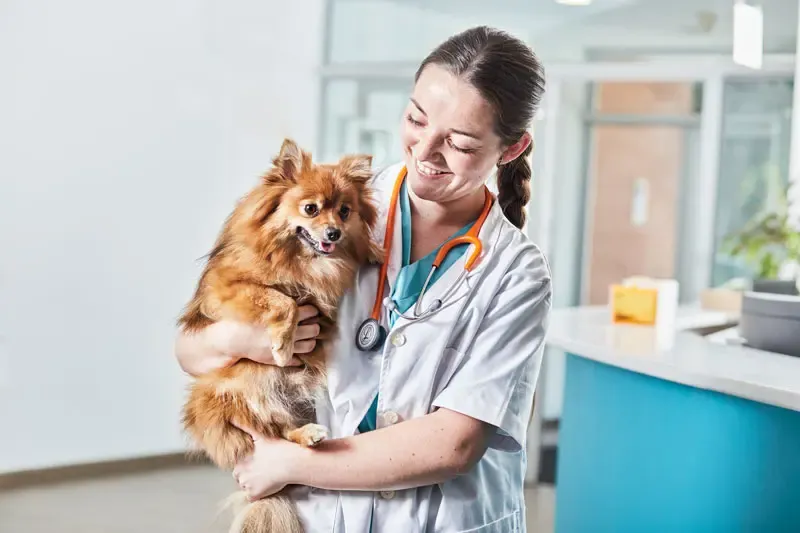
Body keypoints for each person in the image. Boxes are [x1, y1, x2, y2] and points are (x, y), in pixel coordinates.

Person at [176, 25, 552, 533]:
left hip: (438, 518)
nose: (426, 151)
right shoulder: (337, 203)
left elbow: (454, 443)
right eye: (416, 119)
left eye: (459, 143)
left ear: (511, 149)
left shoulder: (516, 272)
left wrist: (289, 464)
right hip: (320, 516)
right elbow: (191, 349)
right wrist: (242, 337)